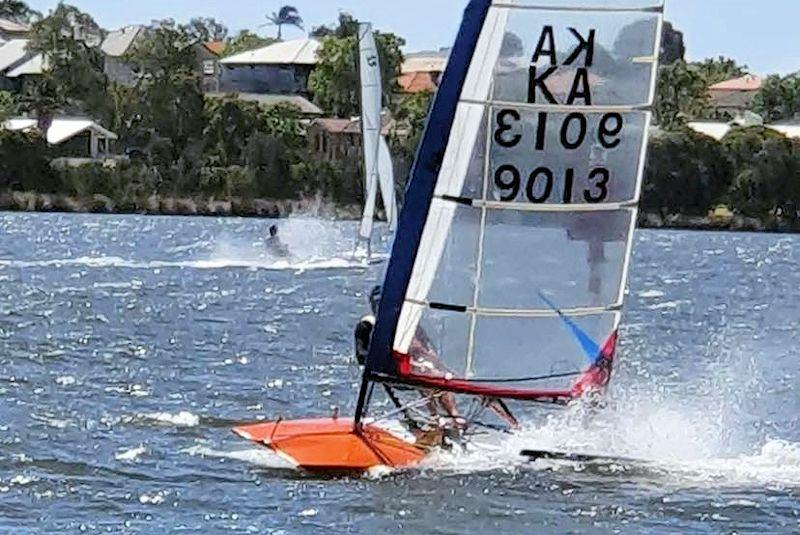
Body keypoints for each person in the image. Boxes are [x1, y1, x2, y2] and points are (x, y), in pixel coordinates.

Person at [354, 285, 518, 430]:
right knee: (430, 377)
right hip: (391, 373)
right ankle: (441, 417)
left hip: (418, 368)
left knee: (452, 378)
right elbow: (363, 357)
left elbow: (428, 350)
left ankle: (513, 424)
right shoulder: (367, 325)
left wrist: (443, 368)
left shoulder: (409, 325)